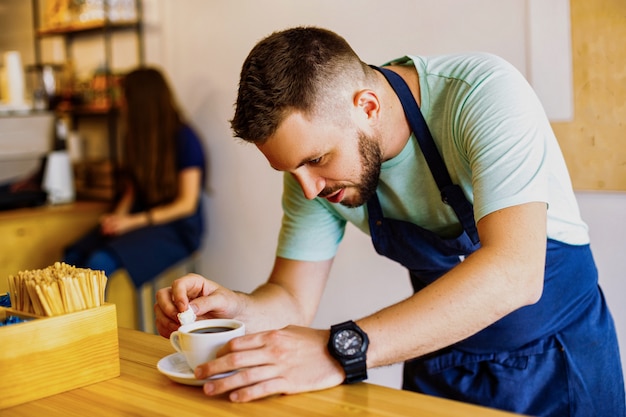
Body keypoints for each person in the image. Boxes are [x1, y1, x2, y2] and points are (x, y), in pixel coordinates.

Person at [154, 27, 625, 416]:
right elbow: (292, 299)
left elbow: (515, 274)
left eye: (317, 159)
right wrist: (236, 310)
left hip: (558, 364)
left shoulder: (483, 96)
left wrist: (339, 348)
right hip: (440, 365)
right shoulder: (312, 176)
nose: (309, 189)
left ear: (369, 107)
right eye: (291, 170)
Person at [64, 67, 206, 289]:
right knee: (72, 257)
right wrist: (117, 218)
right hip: (143, 219)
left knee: (98, 262)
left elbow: (186, 205)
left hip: (177, 229)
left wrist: (132, 222)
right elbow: (132, 191)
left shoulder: (185, 139)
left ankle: (91, 323)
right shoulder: (136, 139)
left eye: (124, 97)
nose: (121, 104)